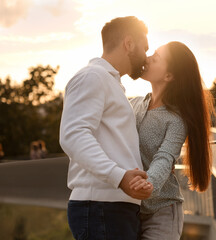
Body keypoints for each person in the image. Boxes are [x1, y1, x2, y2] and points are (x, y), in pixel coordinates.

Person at [59, 16, 153, 240]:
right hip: (101, 207)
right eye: (144, 47)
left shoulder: (110, 83)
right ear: (128, 44)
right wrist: (120, 177)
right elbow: (73, 135)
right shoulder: (92, 77)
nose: (146, 55)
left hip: (113, 207)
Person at [129, 41, 215, 239]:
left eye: (156, 57)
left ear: (169, 76)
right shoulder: (133, 105)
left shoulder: (175, 120)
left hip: (163, 212)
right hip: (130, 208)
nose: (147, 57)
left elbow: (165, 158)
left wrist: (148, 184)